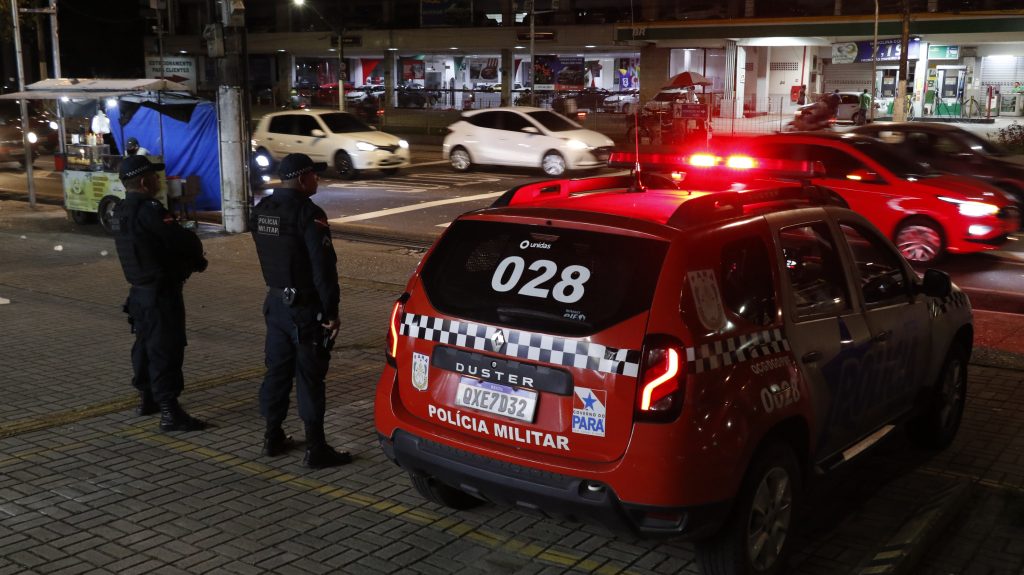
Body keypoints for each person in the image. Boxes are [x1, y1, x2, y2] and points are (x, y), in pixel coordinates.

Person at [250, 153, 352, 469]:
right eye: (314, 175)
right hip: (305, 309)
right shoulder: (308, 214)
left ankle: (272, 435)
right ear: (304, 178)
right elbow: (323, 269)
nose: (317, 180)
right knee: (309, 377)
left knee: (277, 372)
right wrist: (331, 311)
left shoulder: (262, 209)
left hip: (275, 303)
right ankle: (316, 448)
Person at [111, 155, 208, 432]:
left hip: (139, 293)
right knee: (166, 348)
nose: (158, 181)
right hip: (160, 293)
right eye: (154, 177)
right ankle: (170, 411)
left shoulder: (119, 211)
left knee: (144, 345)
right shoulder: (150, 210)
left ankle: (147, 397)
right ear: (144, 182)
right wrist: (193, 257)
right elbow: (182, 240)